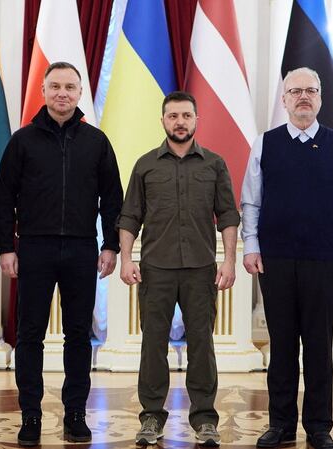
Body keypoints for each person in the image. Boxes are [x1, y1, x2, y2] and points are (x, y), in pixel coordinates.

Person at [0, 61, 123, 447]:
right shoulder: (22, 141)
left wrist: (111, 245)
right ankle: (30, 415)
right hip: (34, 247)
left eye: (69, 87)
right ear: (44, 91)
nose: (62, 93)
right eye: (55, 86)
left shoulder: (96, 142)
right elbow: (4, 198)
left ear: (80, 93)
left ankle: (75, 414)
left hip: (82, 248)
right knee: (30, 334)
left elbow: (112, 199)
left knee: (79, 335)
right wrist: (6, 247)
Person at [240, 67, 333, 449]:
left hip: (325, 260)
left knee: (318, 346)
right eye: (295, 91)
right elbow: (251, 201)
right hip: (275, 259)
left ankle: (319, 427)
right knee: (281, 346)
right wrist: (251, 246)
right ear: (284, 99)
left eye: (311, 90)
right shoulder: (265, 143)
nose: (303, 97)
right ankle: (280, 424)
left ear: (321, 98)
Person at [117, 91, 239, 447]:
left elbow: (228, 215)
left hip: (201, 269)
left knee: (202, 343)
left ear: (196, 119)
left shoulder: (214, 164)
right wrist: (126, 259)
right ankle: (151, 417)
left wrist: (229, 260)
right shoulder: (145, 165)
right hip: (156, 269)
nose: (180, 122)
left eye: (186, 115)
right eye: (173, 116)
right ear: (163, 121)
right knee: (153, 344)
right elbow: (130, 216)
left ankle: (205, 420)